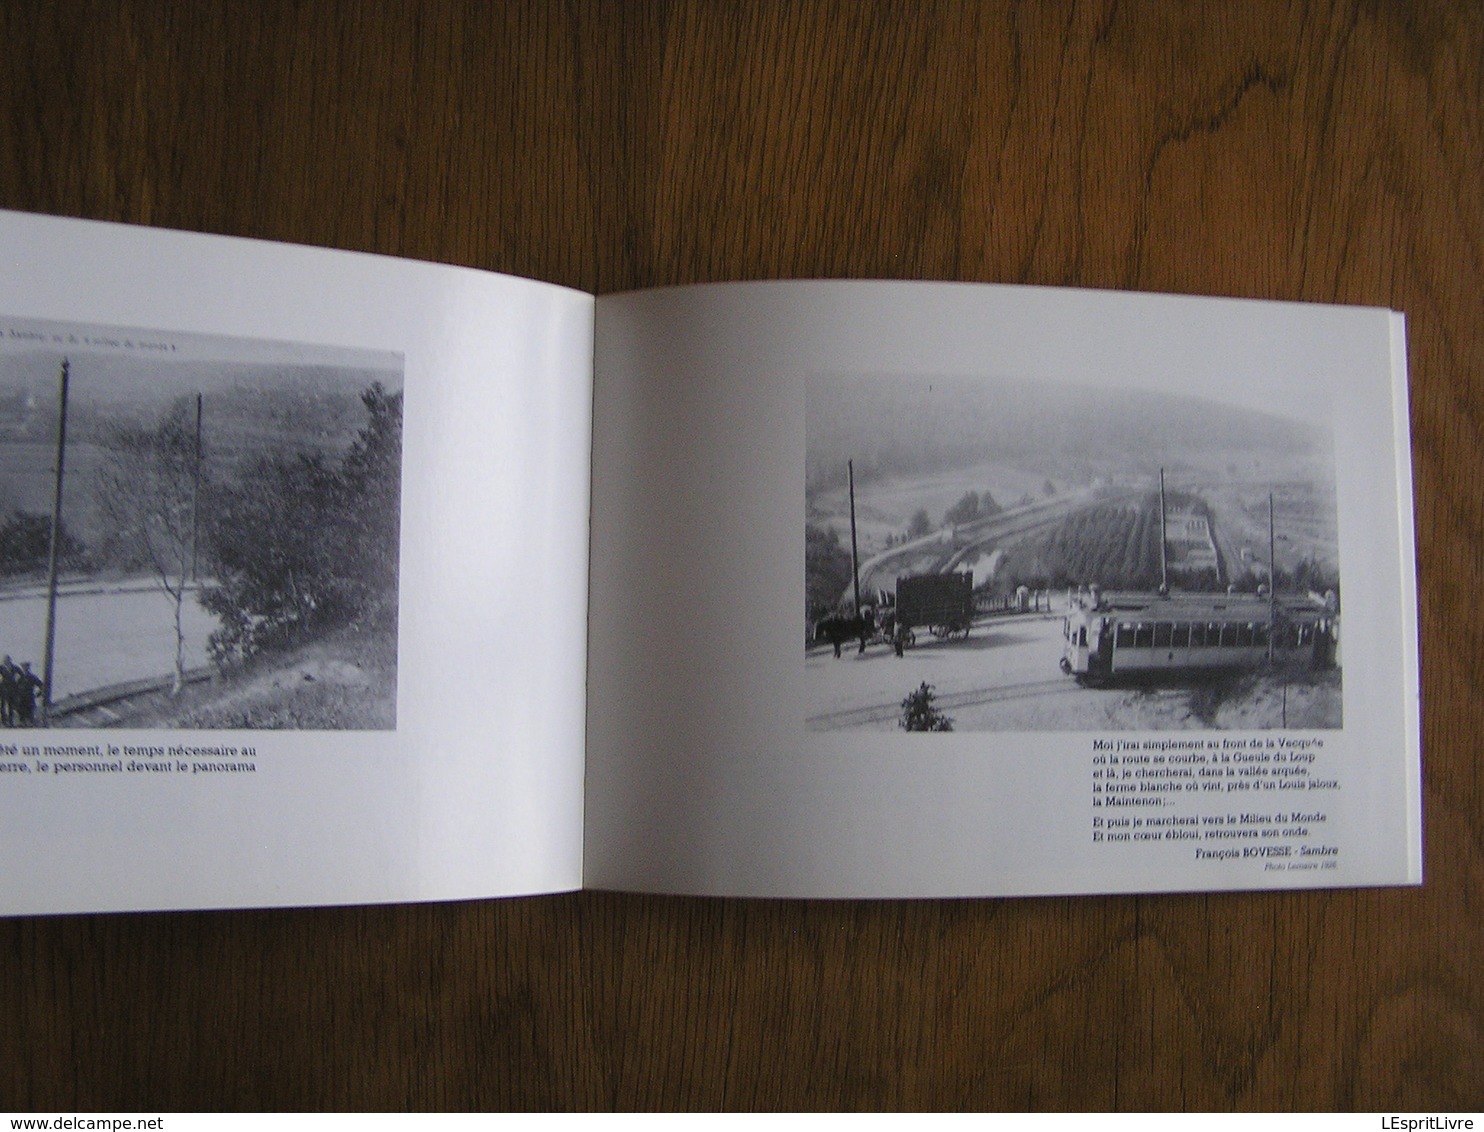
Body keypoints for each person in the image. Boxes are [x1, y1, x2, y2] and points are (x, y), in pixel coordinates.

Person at [14, 662, 41, 727]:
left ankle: (30, 726)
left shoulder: (32, 677)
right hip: (20, 699)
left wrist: (37, 694)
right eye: (23, 667)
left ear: (28, 668)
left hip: (29, 698)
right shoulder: (18, 677)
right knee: (20, 715)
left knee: (29, 715)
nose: (24, 669)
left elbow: (41, 686)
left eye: (26, 667)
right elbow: (14, 687)